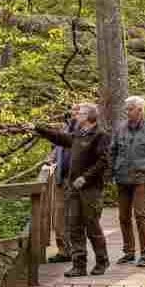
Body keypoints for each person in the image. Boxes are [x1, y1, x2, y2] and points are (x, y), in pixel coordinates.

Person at [32, 103, 110, 277]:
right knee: (73, 226)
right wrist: (38, 128)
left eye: (80, 113)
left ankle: (102, 261)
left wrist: (86, 177)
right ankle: (79, 265)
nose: (76, 115)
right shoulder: (78, 134)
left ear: (89, 116)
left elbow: (104, 161)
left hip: (91, 189)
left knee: (92, 226)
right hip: (73, 187)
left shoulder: (100, 136)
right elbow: (59, 138)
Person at [111, 96, 145, 267]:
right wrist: (111, 173)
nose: (127, 111)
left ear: (140, 110)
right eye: (127, 108)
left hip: (141, 177)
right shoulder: (120, 128)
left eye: (130, 108)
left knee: (140, 214)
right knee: (123, 216)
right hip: (122, 177)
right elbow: (113, 151)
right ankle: (129, 252)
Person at [45, 104, 79, 263]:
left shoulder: (87, 132)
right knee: (59, 215)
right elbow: (57, 148)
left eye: (79, 111)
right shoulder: (65, 129)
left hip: (76, 181)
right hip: (60, 178)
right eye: (73, 110)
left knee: (74, 216)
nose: (75, 113)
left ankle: (76, 250)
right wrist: (50, 160)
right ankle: (63, 250)